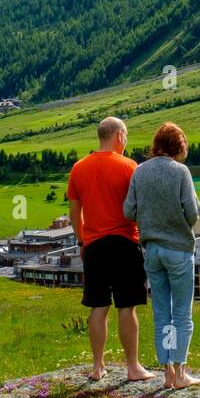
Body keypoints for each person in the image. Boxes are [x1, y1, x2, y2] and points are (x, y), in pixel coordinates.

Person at [66, 116, 153, 382]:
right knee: (127, 306)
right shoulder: (130, 167)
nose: (125, 143)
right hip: (125, 243)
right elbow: (139, 209)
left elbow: (74, 213)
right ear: (119, 136)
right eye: (125, 137)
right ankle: (133, 367)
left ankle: (97, 366)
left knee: (98, 306)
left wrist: (82, 241)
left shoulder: (79, 168)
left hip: (94, 246)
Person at [124, 122, 200, 390]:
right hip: (178, 249)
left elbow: (128, 210)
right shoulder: (181, 172)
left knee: (162, 313)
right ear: (180, 147)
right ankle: (180, 372)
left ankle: (167, 371)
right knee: (182, 313)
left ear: (156, 144)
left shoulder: (140, 171)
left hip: (152, 250)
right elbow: (192, 213)